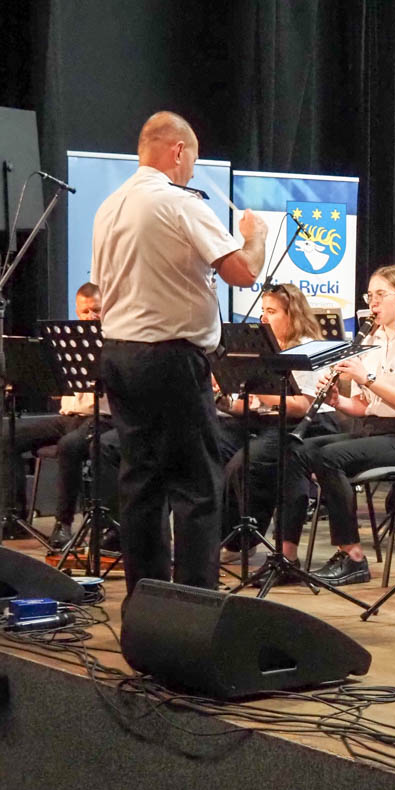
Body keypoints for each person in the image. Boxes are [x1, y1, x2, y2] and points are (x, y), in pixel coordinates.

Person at [91, 111, 268, 598]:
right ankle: (193, 606)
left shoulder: (109, 206)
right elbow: (243, 272)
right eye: (192, 159)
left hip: (119, 355)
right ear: (177, 151)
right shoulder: (177, 202)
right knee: (196, 487)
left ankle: (145, 602)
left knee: (141, 485)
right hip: (169, 358)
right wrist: (255, 235)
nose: (192, 170)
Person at [298, 265, 395, 586]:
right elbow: (363, 406)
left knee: (329, 457)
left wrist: (368, 378)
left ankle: (353, 557)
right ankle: (289, 553)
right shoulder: (370, 340)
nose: (373, 303)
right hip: (373, 431)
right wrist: (337, 400)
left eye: (380, 295)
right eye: (370, 296)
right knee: (302, 449)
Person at [223, 284, 338, 571]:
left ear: (292, 315)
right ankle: (219, 534)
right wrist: (222, 398)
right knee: (212, 443)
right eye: (263, 311)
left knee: (247, 462)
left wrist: (258, 394)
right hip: (268, 421)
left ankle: (243, 539)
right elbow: (245, 404)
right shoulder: (264, 348)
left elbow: (303, 405)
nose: (264, 318)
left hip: (307, 425)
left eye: (272, 311)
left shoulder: (307, 347)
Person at [3, 282, 112, 547]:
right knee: (8, 437)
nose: (90, 317)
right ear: (76, 311)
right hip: (68, 417)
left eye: (96, 310)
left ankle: (63, 525)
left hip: (101, 418)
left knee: (69, 446)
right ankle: (13, 517)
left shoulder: (111, 340)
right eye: (85, 312)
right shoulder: (68, 342)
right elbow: (53, 385)